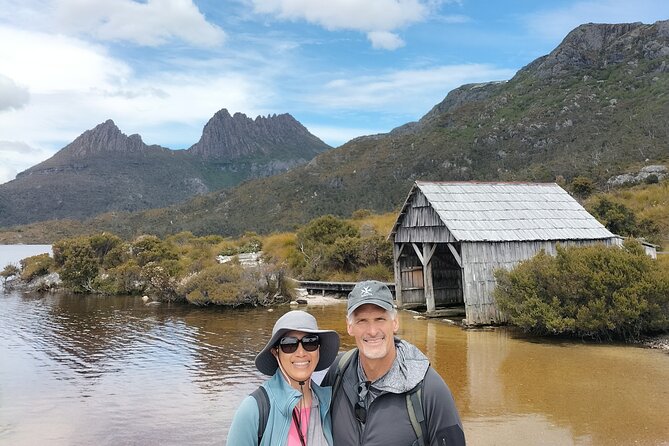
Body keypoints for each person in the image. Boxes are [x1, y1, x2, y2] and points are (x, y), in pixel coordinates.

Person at [321, 280, 466, 445]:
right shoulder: (337, 373)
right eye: (362, 321)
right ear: (349, 326)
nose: (373, 331)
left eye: (380, 319)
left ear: (395, 322)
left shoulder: (430, 390)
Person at [227, 310, 340, 446]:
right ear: (276, 352)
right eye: (289, 344)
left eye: (310, 342)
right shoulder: (253, 409)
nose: (301, 353)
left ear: (318, 349)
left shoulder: (328, 403)